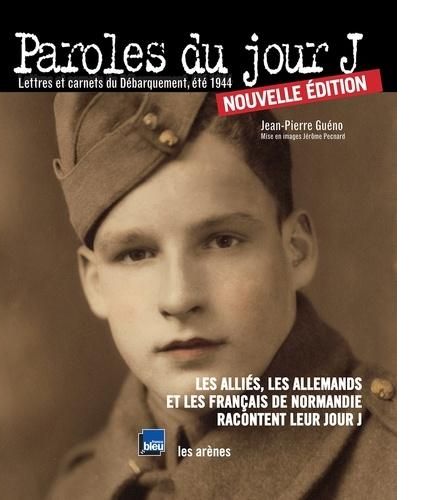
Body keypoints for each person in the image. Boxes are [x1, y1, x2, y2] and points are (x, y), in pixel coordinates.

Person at [47, 92, 395, 499]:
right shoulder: (78, 488)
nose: (178, 298)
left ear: (296, 251)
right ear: (95, 283)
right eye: (136, 254)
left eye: (222, 241)